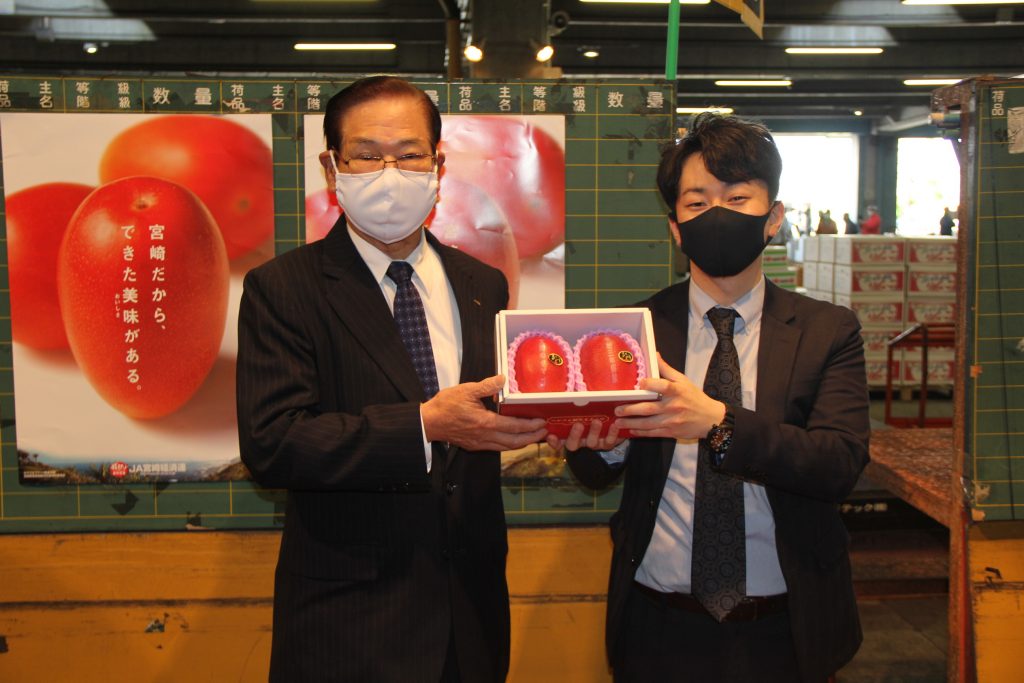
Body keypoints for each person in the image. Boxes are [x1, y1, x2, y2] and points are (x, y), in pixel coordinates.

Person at [236, 76, 547, 683]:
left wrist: (570, 420)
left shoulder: (482, 284)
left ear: (438, 166)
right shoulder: (283, 288)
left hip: (470, 619)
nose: (390, 173)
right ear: (332, 167)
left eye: (409, 155)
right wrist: (423, 425)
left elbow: (489, 417)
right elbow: (273, 444)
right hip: (348, 625)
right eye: (366, 155)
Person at [550, 113, 871, 683]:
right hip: (657, 624)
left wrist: (719, 422)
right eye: (697, 203)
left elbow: (839, 464)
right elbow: (597, 471)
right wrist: (603, 444)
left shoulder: (827, 331)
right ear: (675, 228)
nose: (717, 214)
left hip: (786, 626)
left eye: (738, 198)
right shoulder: (636, 329)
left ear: (774, 217)